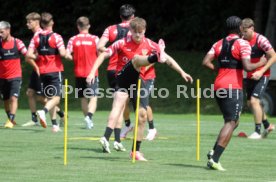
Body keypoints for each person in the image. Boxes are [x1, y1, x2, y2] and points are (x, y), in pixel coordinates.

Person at [87, 17, 193, 160]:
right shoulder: (121, 42)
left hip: (139, 82)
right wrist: (92, 72)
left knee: (142, 116)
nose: (138, 35)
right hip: (123, 78)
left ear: (144, 31)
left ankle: (135, 151)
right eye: (135, 32)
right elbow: (103, 56)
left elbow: (168, 59)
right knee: (135, 63)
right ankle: (155, 58)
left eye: (140, 33)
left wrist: (182, 72)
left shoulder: (149, 43)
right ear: (130, 30)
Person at [202, 16, 267, 171]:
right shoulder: (242, 43)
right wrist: (261, 63)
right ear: (239, 28)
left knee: (232, 122)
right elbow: (248, 67)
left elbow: (205, 62)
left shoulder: (218, 43)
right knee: (231, 122)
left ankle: (213, 151)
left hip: (219, 85)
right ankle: (215, 159)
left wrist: (220, 70)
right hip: (233, 87)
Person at [97, 4, 135, 140]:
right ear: (133, 17)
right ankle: (120, 135)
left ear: (120, 16)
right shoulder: (135, 30)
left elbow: (99, 46)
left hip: (112, 69)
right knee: (124, 104)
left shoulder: (110, 29)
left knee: (118, 103)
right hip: (129, 70)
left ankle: (121, 134)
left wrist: (111, 51)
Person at [22, 12, 65, 127]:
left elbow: (30, 55)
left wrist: (37, 61)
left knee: (42, 96)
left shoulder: (39, 35)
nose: (27, 24)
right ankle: (45, 116)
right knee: (33, 93)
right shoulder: (48, 36)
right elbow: (32, 56)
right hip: (44, 69)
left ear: (38, 22)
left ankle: (56, 118)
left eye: (29, 22)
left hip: (41, 69)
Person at [240, 18, 275, 139]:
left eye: (245, 31)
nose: (243, 34)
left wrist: (261, 71)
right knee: (251, 103)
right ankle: (267, 125)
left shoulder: (261, 40)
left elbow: (273, 56)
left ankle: (257, 131)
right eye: (242, 32)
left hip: (262, 75)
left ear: (252, 28)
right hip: (249, 76)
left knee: (255, 101)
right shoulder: (242, 40)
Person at [66, 16, 99, 129]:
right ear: (88, 25)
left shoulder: (73, 39)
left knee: (83, 98)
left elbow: (67, 55)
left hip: (79, 72)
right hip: (92, 73)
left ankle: (88, 121)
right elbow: (100, 53)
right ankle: (89, 117)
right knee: (93, 97)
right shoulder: (95, 39)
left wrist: (75, 58)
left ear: (78, 26)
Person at [0, 21, 31, 128]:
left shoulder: (17, 42)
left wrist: (35, 59)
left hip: (15, 76)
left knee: (13, 98)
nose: (0, 34)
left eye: (1, 32)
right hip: (2, 77)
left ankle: (11, 120)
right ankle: (10, 118)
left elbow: (27, 54)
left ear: (8, 30)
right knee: (5, 99)